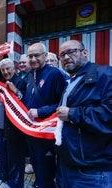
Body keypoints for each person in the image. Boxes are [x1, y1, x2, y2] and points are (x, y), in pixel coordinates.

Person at [55, 40, 112, 188]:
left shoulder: (105, 74)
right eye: (62, 55)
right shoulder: (71, 81)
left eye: (71, 52)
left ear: (84, 53)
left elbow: (109, 113)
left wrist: (73, 113)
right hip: (67, 164)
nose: (66, 57)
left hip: (92, 171)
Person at [23, 42, 66, 188]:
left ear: (45, 55)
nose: (33, 59)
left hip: (46, 131)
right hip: (31, 130)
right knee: (35, 161)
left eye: (37, 55)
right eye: (30, 56)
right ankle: (39, 183)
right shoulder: (29, 74)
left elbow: (63, 103)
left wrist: (41, 111)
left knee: (46, 164)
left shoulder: (54, 74)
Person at [0, 58, 27, 187]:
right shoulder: (1, 82)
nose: (6, 72)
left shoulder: (21, 82)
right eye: (3, 70)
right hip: (1, 125)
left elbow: (25, 102)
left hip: (14, 128)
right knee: (2, 153)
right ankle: (4, 175)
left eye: (8, 68)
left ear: (14, 68)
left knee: (15, 156)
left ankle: (15, 183)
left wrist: (15, 91)